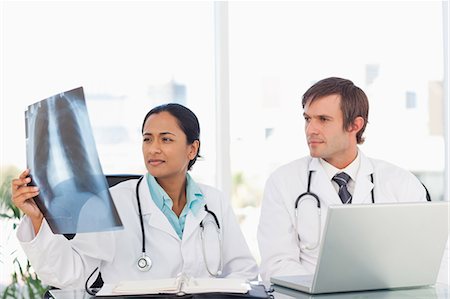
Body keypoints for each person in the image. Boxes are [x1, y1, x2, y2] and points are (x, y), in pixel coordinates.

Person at [12, 103, 258, 290]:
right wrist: (36, 219)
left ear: (192, 149)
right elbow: (71, 273)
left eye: (166, 139)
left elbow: (243, 271)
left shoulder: (214, 202)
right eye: (147, 139)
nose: (153, 148)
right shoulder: (111, 202)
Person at [257, 77, 429, 283]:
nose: (311, 129)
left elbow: (430, 257)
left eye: (323, 119)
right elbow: (277, 264)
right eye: (307, 119)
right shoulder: (283, 182)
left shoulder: (402, 184)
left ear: (355, 125)